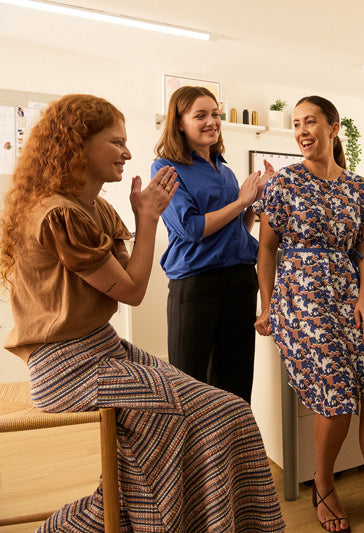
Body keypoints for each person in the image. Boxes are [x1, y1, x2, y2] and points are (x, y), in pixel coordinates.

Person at [0, 94, 284, 532]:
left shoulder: (94, 207)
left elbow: (127, 274)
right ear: (77, 145)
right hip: (66, 368)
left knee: (229, 408)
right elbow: (132, 290)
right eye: (116, 143)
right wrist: (148, 218)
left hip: (105, 350)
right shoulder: (58, 214)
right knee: (214, 413)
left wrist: (148, 215)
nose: (128, 152)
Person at [253, 96, 364, 533]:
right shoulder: (282, 183)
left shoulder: (358, 186)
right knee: (337, 398)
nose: (302, 131)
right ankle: (323, 482)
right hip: (300, 297)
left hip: (349, 295)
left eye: (311, 121)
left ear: (333, 128)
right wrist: (267, 306)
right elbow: (266, 248)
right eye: (297, 123)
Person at [152, 86, 270, 403]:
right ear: (179, 123)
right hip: (195, 285)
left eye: (215, 114)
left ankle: (231, 451)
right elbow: (190, 229)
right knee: (189, 384)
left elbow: (236, 230)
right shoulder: (166, 169)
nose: (211, 121)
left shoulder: (226, 171)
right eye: (200, 115)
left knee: (236, 385)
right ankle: (193, 453)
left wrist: (252, 206)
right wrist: (241, 201)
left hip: (240, 283)